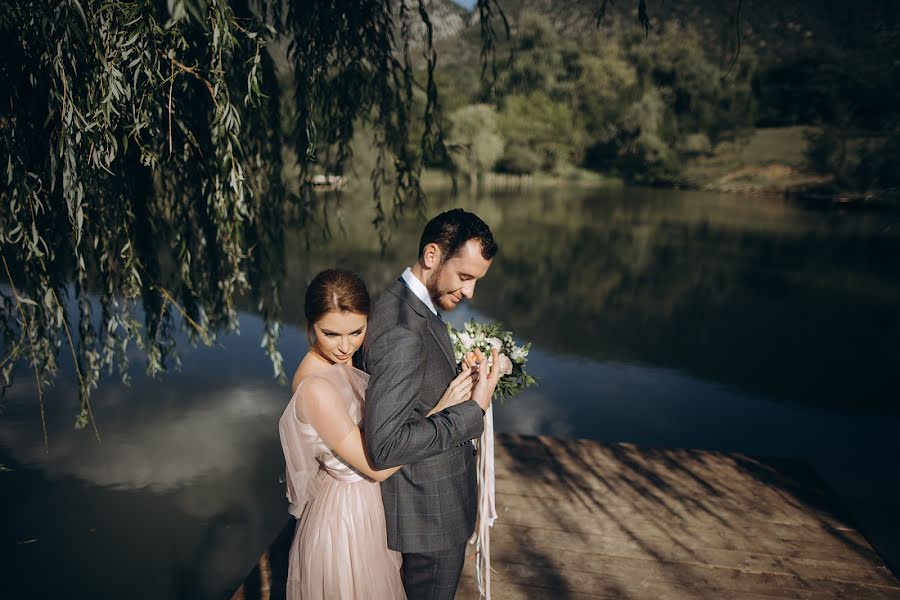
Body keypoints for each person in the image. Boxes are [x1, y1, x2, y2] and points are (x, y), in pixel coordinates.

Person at [279, 268, 479, 599]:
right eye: (330, 334)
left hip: (371, 504)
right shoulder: (316, 389)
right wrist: (441, 411)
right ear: (309, 325)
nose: (345, 347)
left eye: (356, 332)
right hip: (347, 517)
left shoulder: (342, 360)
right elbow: (377, 465)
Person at [360, 208, 502, 600]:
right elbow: (385, 445)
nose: (471, 292)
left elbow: (414, 392)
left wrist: (460, 373)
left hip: (431, 507)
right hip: (427, 517)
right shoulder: (402, 331)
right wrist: (472, 411)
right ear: (432, 256)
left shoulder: (405, 303)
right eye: (465, 277)